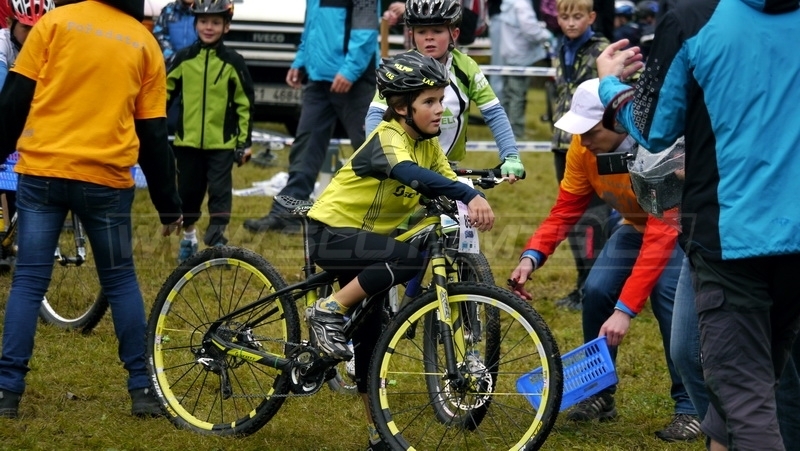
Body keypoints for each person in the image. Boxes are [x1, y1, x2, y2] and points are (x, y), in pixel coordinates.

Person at [596, 0, 800, 447]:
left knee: (746, 394)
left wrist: (609, 85)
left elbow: (653, 127)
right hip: (779, 235)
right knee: (764, 376)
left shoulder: (693, 20)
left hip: (732, 239)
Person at [0, 0, 183, 419]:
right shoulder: (144, 43)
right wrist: (168, 204)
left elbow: (14, 100)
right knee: (120, 281)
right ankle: (142, 389)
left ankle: (7, 392)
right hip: (106, 181)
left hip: (42, 173)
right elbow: (153, 132)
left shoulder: (53, 23)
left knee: (28, 282)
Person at [305, 50, 494, 451]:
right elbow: (407, 173)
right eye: (430, 101)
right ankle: (328, 309)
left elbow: (441, 178)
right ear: (402, 107)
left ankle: (377, 434)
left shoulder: (428, 145)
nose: (440, 109)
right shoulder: (387, 137)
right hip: (332, 234)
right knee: (407, 258)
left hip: (367, 246)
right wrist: (468, 195)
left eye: (441, 100)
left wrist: (466, 201)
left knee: (371, 342)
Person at [509, 78, 701, 441]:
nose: (583, 140)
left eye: (591, 131)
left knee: (667, 295)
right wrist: (532, 256)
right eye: (578, 132)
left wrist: (625, 310)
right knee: (596, 290)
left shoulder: (658, 147)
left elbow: (660, 238)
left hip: (680, 229)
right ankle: (598, 393)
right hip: (636, 225)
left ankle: (691, 407)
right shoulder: (582, 151)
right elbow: (565, 210)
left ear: (619, 122)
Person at [243, 0, 378, 234]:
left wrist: (350, 70)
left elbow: (365, 33)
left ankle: (384, 214)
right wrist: (300, 61)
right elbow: (312, 28)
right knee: (304, 149)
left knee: (371, 151)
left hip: (354, 81)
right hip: (318, 80)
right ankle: (287, 214)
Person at [365, 0, 525, 182]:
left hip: (448, 167)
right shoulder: (399, 68)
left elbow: (494, 113)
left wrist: (510, 155)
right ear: (412, 35)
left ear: (454, 34)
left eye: (437, 31)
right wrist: (377, 153)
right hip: (405, 166)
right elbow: (376, 113)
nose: (429, 38)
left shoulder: (466, 67)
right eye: (421, 32)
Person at [167, 0, 254, 263]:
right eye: (203, 22)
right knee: (188, 194)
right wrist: (154, 128)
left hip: (222, 144)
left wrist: (244, 142)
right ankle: (189, 237)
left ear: (226, 27)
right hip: (187, 143)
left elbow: (245, 104)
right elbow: (163, 94)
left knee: (219, 191)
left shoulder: (233, 61)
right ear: (195, 24)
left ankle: (216, 241)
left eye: (216, 22)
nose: (209, 27)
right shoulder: (183, 58)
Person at [548, 0, 612, 310]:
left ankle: (594, 286)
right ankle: (582, 282)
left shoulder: (604, 51)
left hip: (593, 141)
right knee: (572, 216)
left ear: (591, 17)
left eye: (577, 16)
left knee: (594, 219)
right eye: (565, 16)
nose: (571, 22)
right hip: (562, 142)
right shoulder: (559, 48)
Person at [496, 0, 552, 139]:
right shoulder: (522, 5)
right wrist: (547, 35)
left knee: (508, 95)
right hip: (520, 57)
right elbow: (531, 31)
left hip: (508, 54)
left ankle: (504, 131)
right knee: (517, 97)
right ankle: (516, 132)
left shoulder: (509, 3)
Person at [151, 0, 195, 66]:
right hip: (171, 65)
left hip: (195, 65)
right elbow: (158, 33)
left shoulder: (201, 12)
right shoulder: (168, 10)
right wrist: (173, 57)